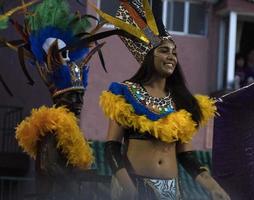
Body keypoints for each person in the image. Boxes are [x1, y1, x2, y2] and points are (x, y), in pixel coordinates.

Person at [95, 0, 231, 199]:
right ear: (148, 56)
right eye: (164, 51)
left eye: (174, 53)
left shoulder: (181, 101)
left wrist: (213, 187)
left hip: (173, 191)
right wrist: (129, 188)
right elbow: (111, 148)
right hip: (135, 186)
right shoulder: (125, 92)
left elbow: (186, 156)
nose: (172, 57)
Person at [13, 0, 98, 199]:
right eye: (72, 96)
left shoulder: (73, 130)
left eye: (80, 95)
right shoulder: (51, 128)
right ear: (58, 97)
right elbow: (49, 166)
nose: (78, 102)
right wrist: (77, 179)